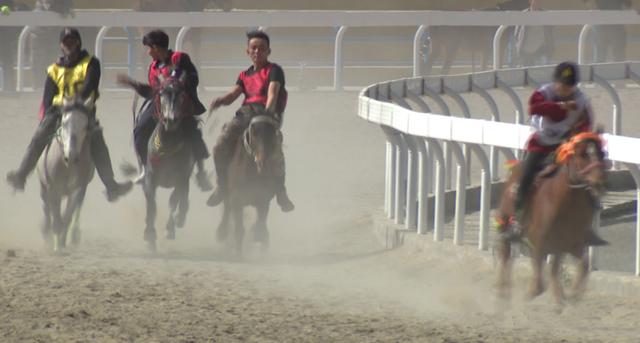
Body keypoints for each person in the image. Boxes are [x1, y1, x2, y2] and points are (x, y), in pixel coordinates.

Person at [6, 27, 132, 201]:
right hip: (58, 111)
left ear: (78, 42)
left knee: (97, 141)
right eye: (66, 42)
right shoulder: (53, 69)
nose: (69, 45)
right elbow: (48, 95)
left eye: (72, 41)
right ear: (61, 45)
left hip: (83, 109)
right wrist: (49, 113)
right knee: (38, 138)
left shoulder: (91, 63)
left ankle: (111, 186)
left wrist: (76, 101)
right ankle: (21, 175)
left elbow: (90, 85)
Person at [498, 61, 605, 245]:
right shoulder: (543, 93)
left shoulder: (582, 101)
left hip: (566, 146)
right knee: (526, 175)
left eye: (569, 85)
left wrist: (579, 139)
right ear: (555, 82)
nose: (564, 88)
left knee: (586, 176)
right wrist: (562, 106)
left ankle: (586, 225)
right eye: (562, 84)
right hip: (540, 145)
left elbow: (586, 125)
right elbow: (534, 107)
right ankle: (515, 220)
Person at [207, 30, 294, 212]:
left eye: (262, 48)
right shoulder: (244, 75)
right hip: (245, 115)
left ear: (268, 51)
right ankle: (222, 186)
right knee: (219, 146)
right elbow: (233, 95)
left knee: (275, 148)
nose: (257, 52)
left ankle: (281, 192)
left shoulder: (274, 71)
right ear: (247, 51)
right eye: (253, 48)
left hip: (266, 116)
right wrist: (221, 100)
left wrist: (268, 115)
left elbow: (272, 94)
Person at [117, 29, 212, 191]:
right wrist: (133, 84)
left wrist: (177, 85)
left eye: (149, 48)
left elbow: (193, 77)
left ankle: (201, 172)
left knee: (193, 131)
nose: (148, 52)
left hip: (181, 103)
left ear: (156, 47)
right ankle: (145, 168)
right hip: (160, 104)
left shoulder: (180, 58)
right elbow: (152, 91)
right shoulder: (153, 67)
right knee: (139, 130)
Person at [30, 0, 74, 90]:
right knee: (38, 61)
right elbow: (47, 6)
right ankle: (38, 87)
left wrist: (66, 9)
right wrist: (64, 9)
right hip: (39, 33)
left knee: (52, 60)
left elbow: (68, 6)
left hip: (53, 33)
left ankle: (51, 86)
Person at [513, 0, 554, 67]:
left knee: (542, 70)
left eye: (539, 1)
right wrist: (519, 45)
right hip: (526, 49)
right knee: (527, 71)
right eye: (535, 0)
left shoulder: (545, 14)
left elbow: (550, 30)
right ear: (530, 1)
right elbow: (517, 32)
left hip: (541, 49)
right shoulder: (523, 14)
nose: (537, 2)